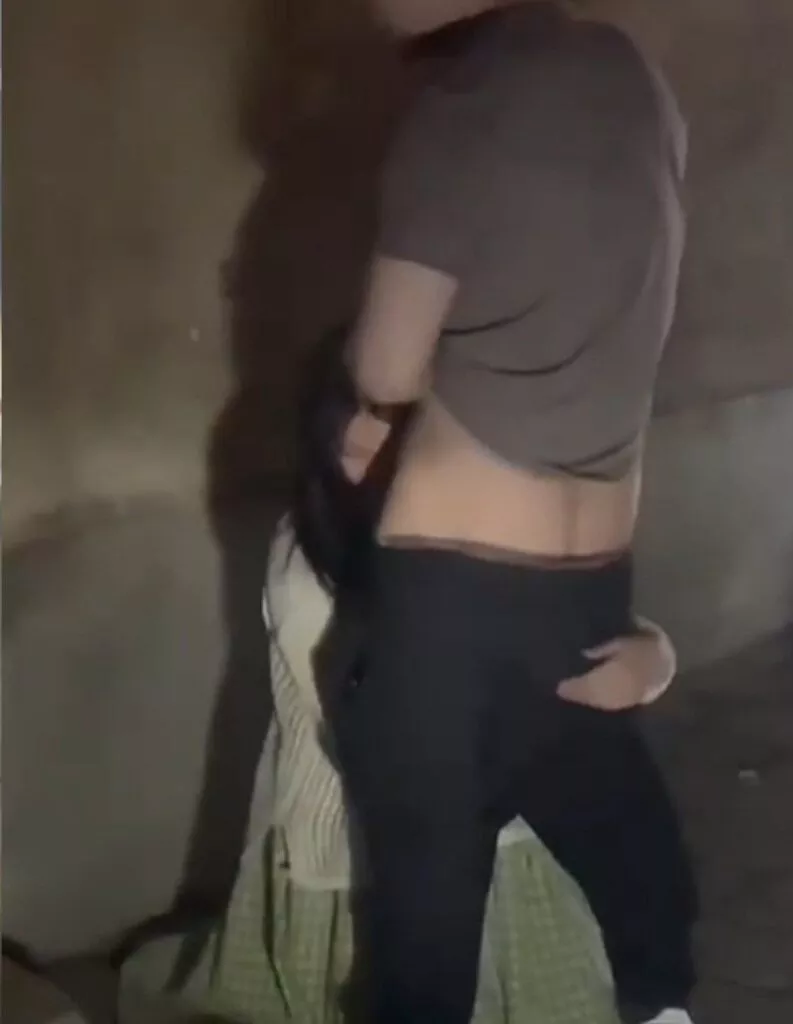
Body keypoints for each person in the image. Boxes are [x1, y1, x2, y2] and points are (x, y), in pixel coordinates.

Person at [118, 332, 679, 1024]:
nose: (375, 458)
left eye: (402, 431)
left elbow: (590, 638)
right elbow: (380, 723)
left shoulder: (487, 528)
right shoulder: (307, 557)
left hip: (502, 837)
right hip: (361, 845)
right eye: (357, 429)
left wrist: (650, 659)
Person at [334, 1, 698, 1023]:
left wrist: (369, 413)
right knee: (640, 896)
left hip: (454, 586)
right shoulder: (634, 82)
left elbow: (386, 364)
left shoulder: (464, 103)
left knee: (427, 929)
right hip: (590, 586)